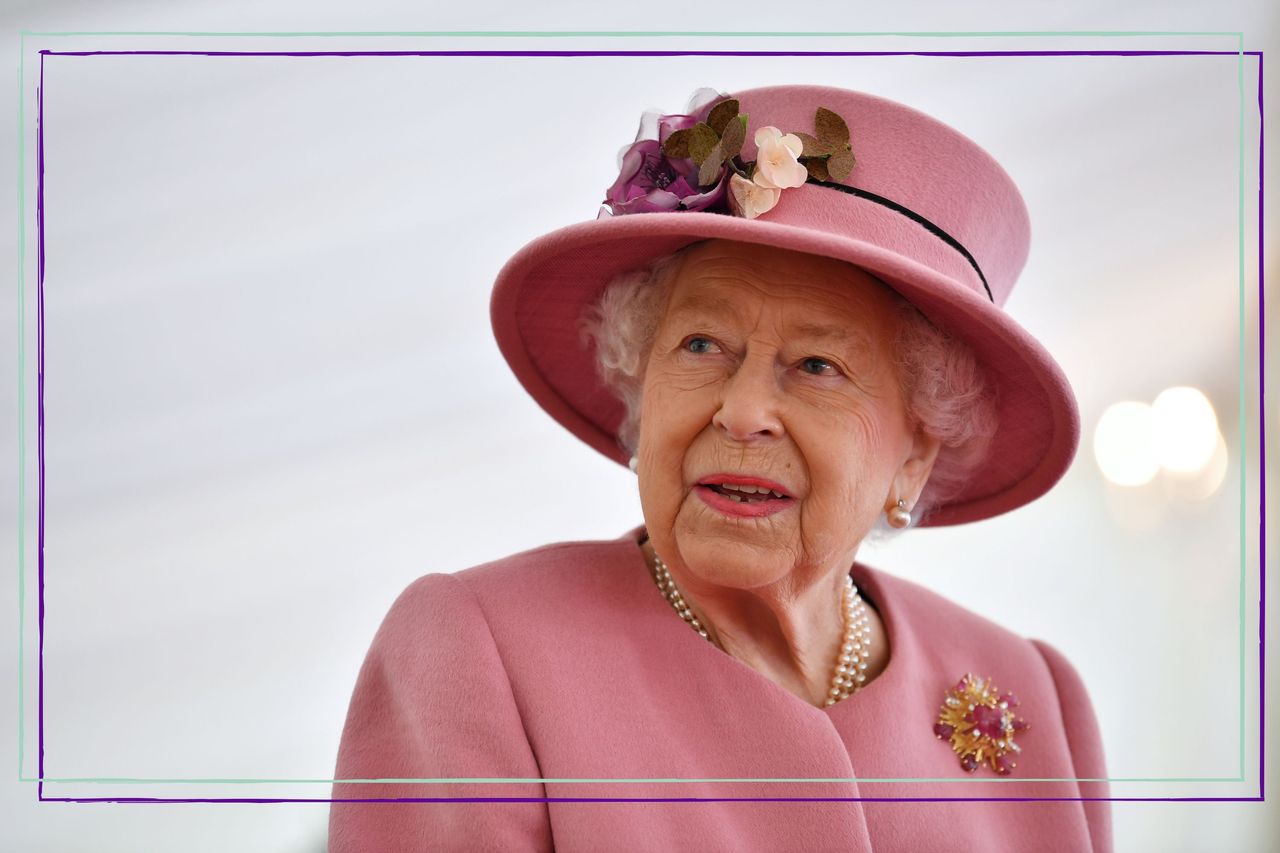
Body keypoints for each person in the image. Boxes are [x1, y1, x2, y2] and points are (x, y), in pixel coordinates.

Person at [328, 84, 1111, 851]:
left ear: (915, 453)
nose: (741, 411)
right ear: (639, 387)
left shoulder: (1033, 693)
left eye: (816, 364)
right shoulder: (481, 650)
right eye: (701, 346)